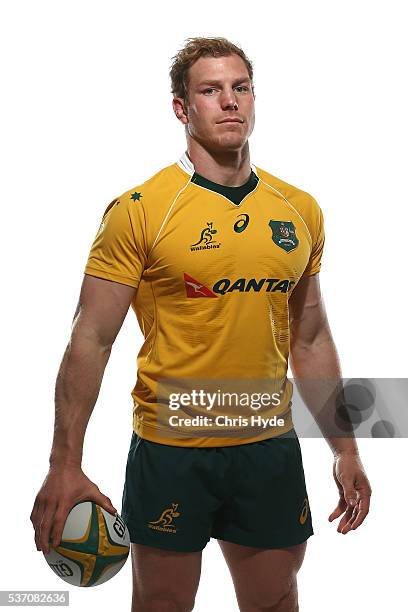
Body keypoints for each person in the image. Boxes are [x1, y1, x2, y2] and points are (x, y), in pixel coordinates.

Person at [30, 37, 372, 611]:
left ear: (255, 98)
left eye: (240, 88)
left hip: (266, 446)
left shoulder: (298, 210)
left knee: (274, 600)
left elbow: (309, 337)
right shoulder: (142, 209)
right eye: (210, 91)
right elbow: (89, 339)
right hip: (172, 449)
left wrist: (346, 448)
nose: (229, 102)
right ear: (182, 108)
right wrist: (64, 463)